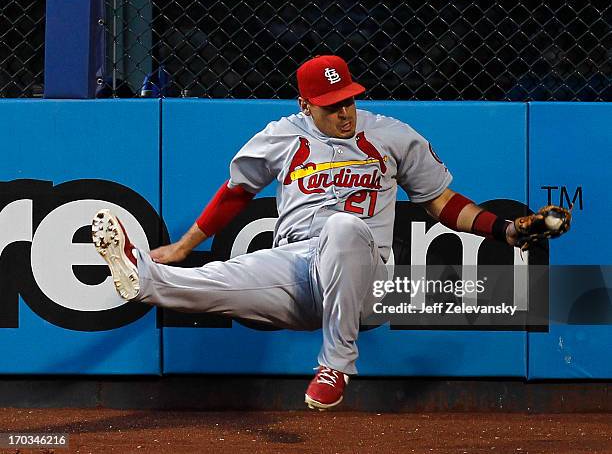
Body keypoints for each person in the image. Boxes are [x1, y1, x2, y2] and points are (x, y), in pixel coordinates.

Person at [93, 55, 524, 410]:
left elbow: (441, 201)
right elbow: (235, 192)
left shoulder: (390, 135)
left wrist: (502, 229)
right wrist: (185, 247)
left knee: (343, 227)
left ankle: (336, 363)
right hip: (300, 269)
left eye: (349, 101)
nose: (344, 112)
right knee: (218, 280)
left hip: (369, 280)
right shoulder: (281, 136)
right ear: (305, 104)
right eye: (331, 105)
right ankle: (143, 278)